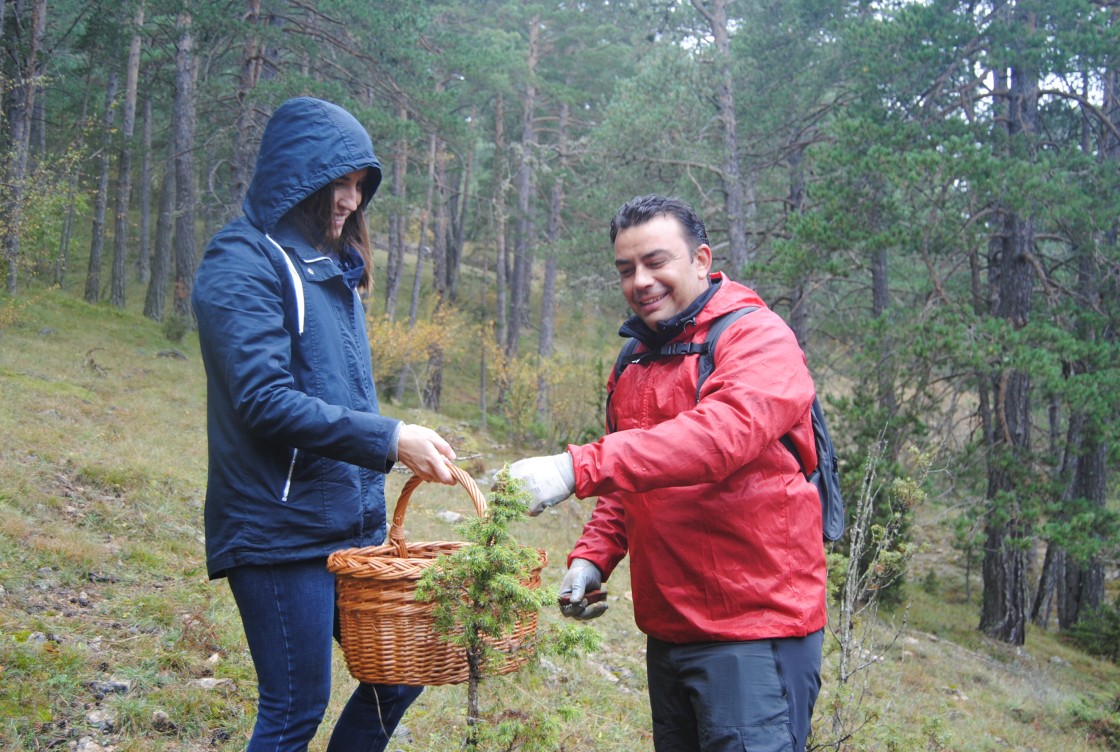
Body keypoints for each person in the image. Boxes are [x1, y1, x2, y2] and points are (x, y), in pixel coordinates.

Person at [509, 194, 827, 752]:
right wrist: (592, 558)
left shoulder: (758, 338)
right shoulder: (637, 357)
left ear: (701, 260)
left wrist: (576, 466)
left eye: (657, 262)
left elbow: (718, 438)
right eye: (626, 269)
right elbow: (635, 474)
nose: (641, 281)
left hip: (754, 627)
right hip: (670, 629)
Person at [192, 96, 457, 752]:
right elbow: (263, 400)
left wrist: (384, 448)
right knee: (293, 709)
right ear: (295, 178)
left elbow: (340, 395)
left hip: (345, 520)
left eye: (359, 187)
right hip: (278, 530)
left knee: (399, 674)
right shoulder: (241, 263)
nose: (349, 200)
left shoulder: (328, 272)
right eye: (337, 183)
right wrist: (390, 439)